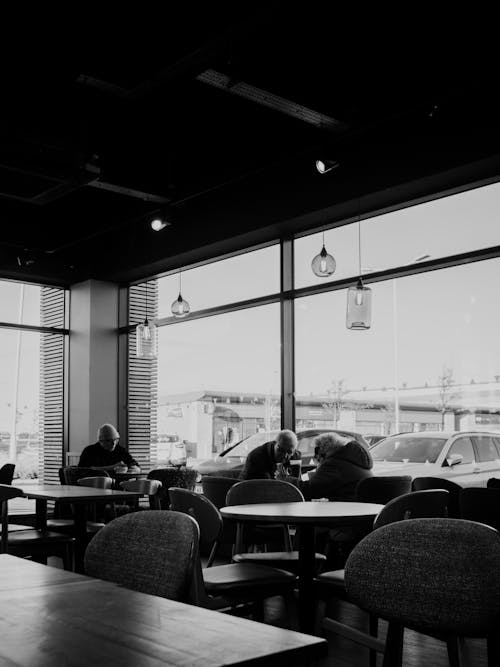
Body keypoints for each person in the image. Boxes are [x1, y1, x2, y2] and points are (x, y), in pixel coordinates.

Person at [300, 432, 373, 501]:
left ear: (323, 450)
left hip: (345, 509)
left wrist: (290, 481)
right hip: (359, 507)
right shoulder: (352, 460)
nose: (316, 457)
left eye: (317, 451)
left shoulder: (334, 464)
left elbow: (311, 490)